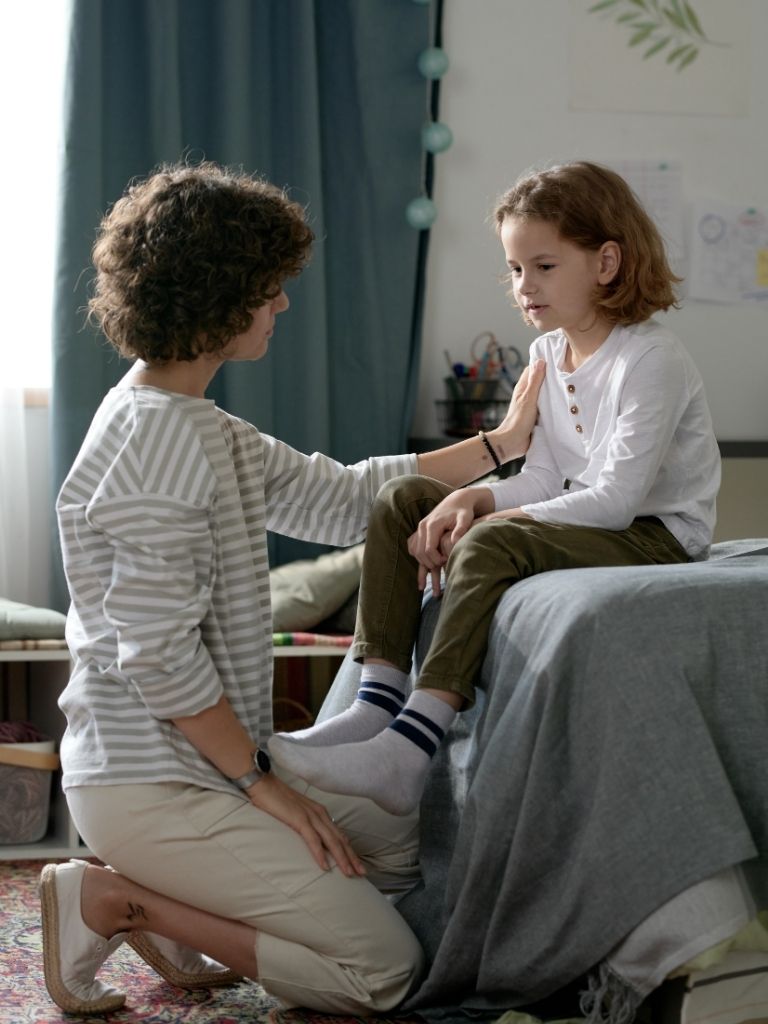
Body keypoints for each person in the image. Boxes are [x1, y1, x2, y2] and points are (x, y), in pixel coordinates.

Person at [41, 160, 544, 1017]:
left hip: (199, 769)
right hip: (153, 784)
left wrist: (504, 443)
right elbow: (157, 657)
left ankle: (188, 903)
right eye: (268, 287)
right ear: (218, 295)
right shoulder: (157, 444)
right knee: (385, 975)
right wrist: (262, 786)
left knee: (393, 834)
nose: (280, 303)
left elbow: (347, 496)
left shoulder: (196, 423)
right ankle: (118, 900)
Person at [268, 160, 721, 818]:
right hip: (603, 519)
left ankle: (411, 746)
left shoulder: (650, 359)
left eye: (544, 266)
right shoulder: (546, 356)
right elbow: (543, 477)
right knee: (403, 499)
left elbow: (616, 499)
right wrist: (474, 496)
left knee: (491, 541)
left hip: (656, 536)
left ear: (606, 262)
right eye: (514, 269)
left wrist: (488, 519)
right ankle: (376, 703)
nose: (524, 286)